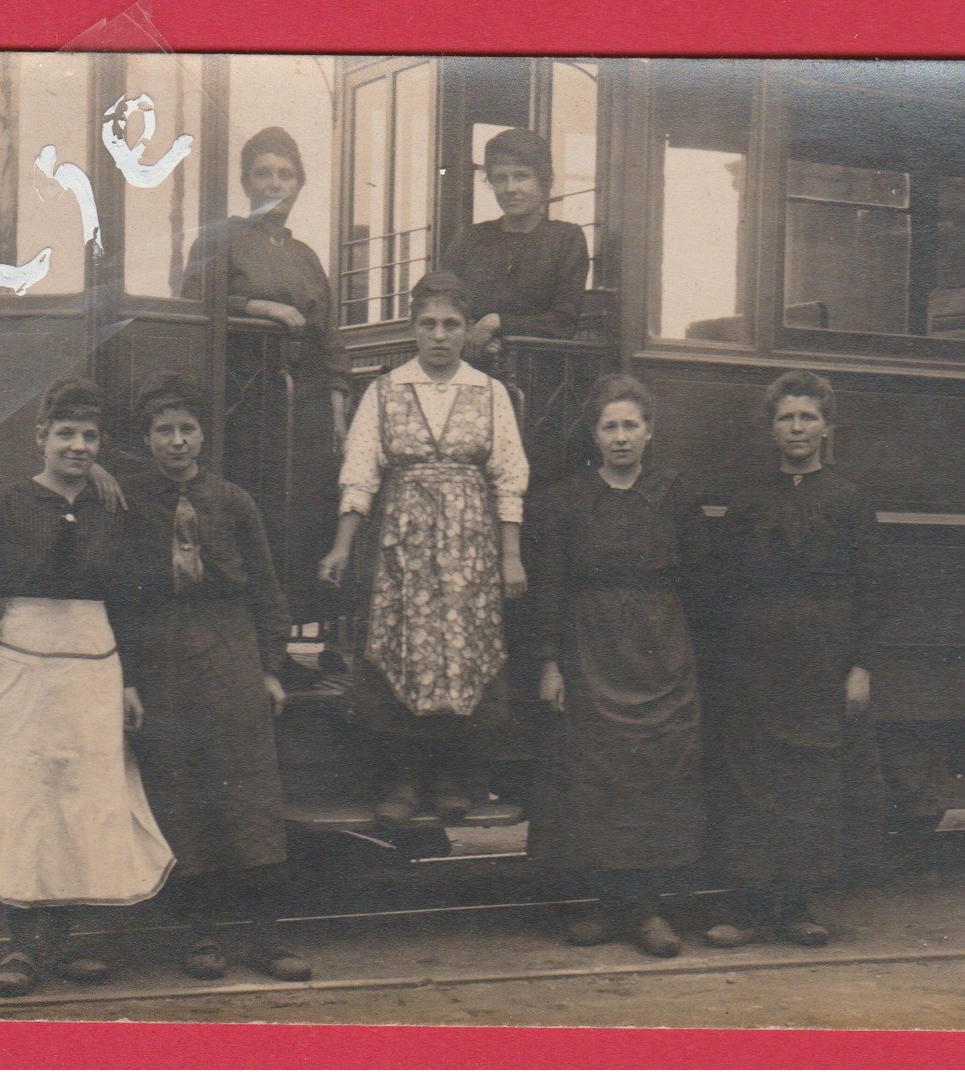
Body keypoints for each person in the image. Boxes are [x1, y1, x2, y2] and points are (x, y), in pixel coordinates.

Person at [0, 377, 173, 999]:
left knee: (81, 798)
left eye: (90, 437)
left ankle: (62, 944)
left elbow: (129, 602)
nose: (78, 447)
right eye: (66, 435)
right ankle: (21, 947)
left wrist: (129, 681)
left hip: (94, 671)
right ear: (41, 438)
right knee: (25, 798)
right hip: (23, 668)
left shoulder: (112, 506)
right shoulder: (6, 507)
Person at [113, 373, 313, 983]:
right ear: (146, 440)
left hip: (230, 650)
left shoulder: (233, 501)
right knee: (181, 792)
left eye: (187, 430)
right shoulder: (128, 502)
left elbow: (267, 588)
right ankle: (198, 937)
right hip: (162, 655)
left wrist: (271, 668)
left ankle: (264, 936)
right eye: (163, 431)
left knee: (248, 794)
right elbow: (116, 596)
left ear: (204, 436)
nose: (177, 442)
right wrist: (127, 676)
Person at [318, 271, 530, 824]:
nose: (440, 335)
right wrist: (342, 547)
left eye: (452, 325)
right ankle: (404, 780)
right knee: (403, 648)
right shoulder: (384, 392)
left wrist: (510, 556)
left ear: (466, 331)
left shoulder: (491, 394)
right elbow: (360, 472)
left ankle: (453, 778)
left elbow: (508, 478)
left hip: (470, 546)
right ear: (414, 329)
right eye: (429, 324)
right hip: (402, 547)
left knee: (464, 651)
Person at [528, 374, 709, 958]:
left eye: (632, 425)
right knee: (598, 776)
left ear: (650, 432)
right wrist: (551, 662)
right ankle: (608, 906)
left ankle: (650, 909)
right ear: (596, 435)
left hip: (661, 648)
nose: (622, 437)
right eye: (610, 426)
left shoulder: (673, 492)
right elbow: (550, 585)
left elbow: (702, 578)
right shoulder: (568, 499)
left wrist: (688, 650)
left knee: (656, 773)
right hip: (591, 645)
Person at [705, 370, 882, 948]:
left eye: (808, 417)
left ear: (828, 427)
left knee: (809, 780)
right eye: (787, 418)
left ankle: (798, 908)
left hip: (822, 659)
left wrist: (860, 666)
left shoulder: (849, 500)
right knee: (753, 777)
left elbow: (871, 588)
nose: (797, 428)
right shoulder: (750, 499)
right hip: (756, 658)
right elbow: (724, 585)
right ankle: (751, 908)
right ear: (771, 429)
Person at [183, 126, 352, 663]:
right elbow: (196, 299)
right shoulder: (221, 237)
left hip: (301, 407)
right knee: (253, 512)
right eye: (263, 172)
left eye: (285, 173)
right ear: (245, 181)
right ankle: (243, 647)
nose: (275, 182)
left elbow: (328, 334)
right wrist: (263, 309)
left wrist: (338, 405)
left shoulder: (304, 255)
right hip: (244, 402)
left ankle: (282, 649)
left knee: (299, 517)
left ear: (299, 183)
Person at [440, 127, 590, 369]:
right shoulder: (470, 238)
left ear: (544, 181)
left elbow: (563, 323)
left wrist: (496, 323)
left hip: (537, 375)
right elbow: (437, 300)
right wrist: (469, 334)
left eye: (522, 176)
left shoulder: (566, 239)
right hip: (468, 365)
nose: (510, 188)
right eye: (500, 178)